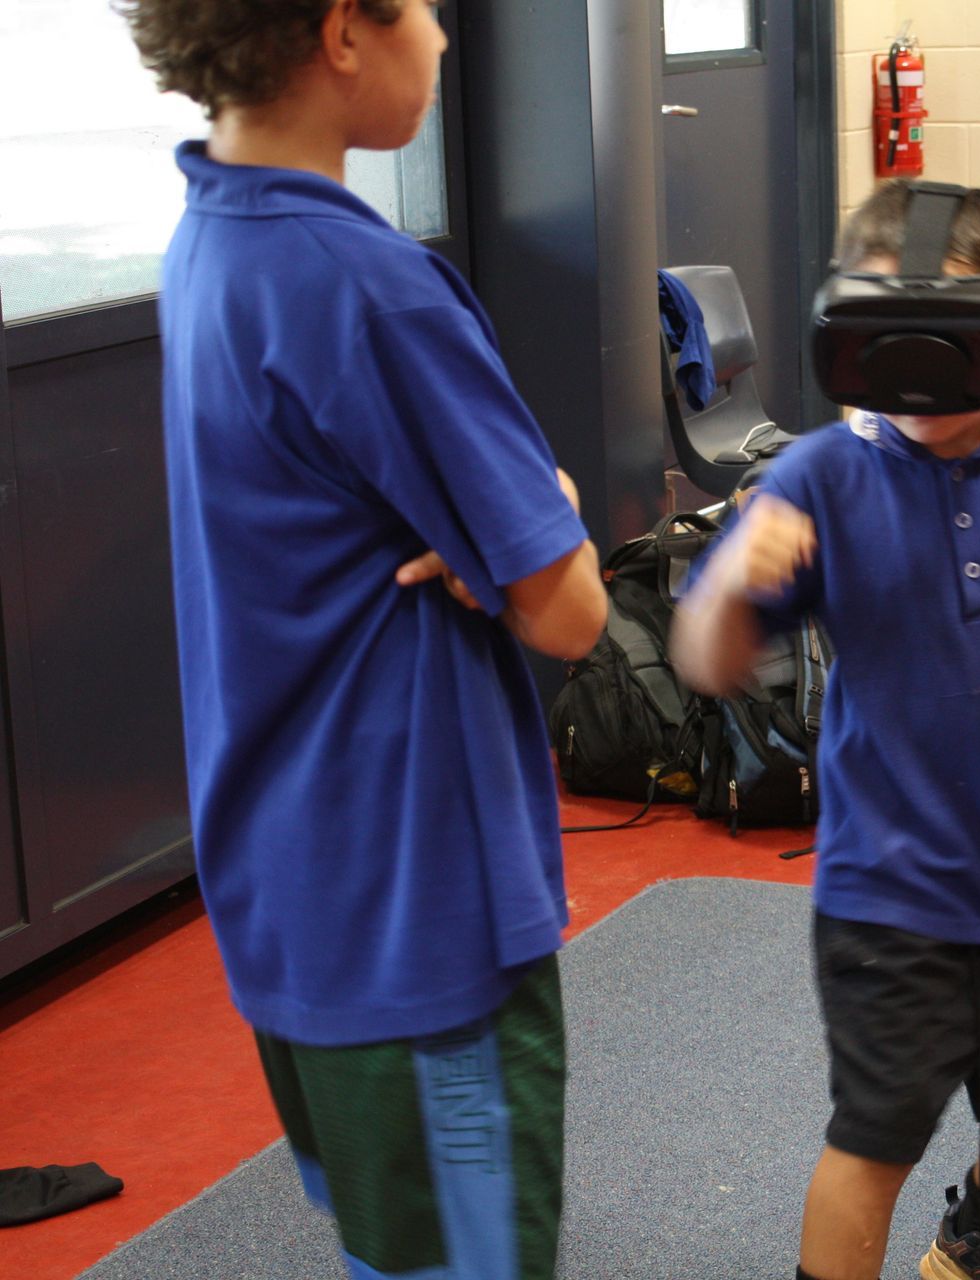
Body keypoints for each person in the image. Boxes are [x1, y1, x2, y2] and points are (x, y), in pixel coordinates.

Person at [119, 1, 606, 1275]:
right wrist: (544, 506)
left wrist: (483, 533)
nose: (444, 40)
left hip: (288, 872)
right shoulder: (366, 284)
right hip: (417, 900)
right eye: (430, 9)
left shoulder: (210, 232)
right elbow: (569, 610)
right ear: (344, 28)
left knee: (395, 1247)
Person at [672, 180, 980, 1280]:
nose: (914, 371)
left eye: (945, 337)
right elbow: (702, 664)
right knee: (876, 1135)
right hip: (886, 890)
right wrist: (728, 593)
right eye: (880, 335)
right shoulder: (817, 477)